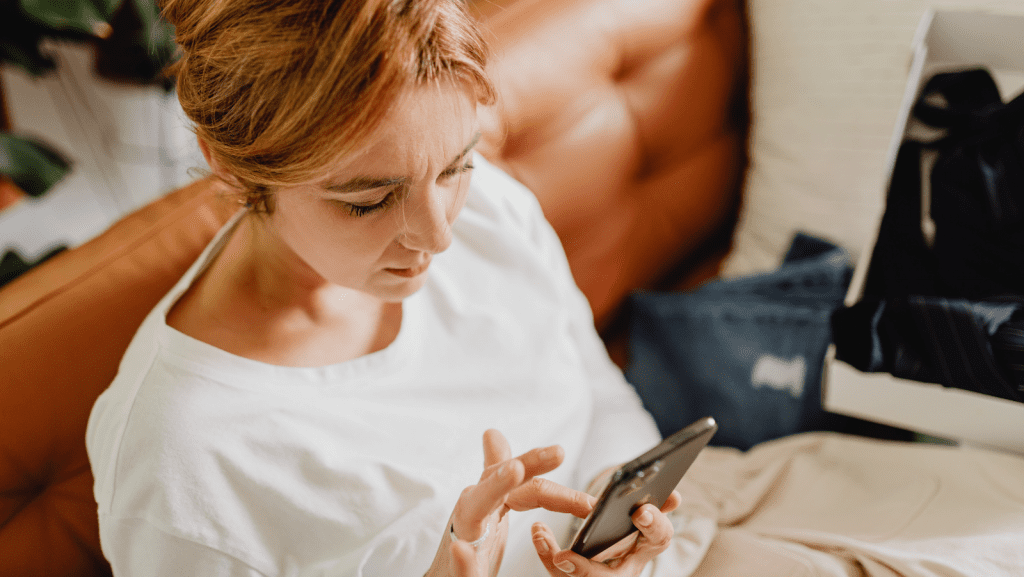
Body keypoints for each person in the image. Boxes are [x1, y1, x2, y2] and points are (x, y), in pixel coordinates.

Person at [85, 0, 682, 575]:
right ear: (229, 163)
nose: (440, 235)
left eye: (456, 166)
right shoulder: (182, 458)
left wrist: (614, 503)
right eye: (368, 202)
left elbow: (599, 392)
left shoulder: (489, 209)